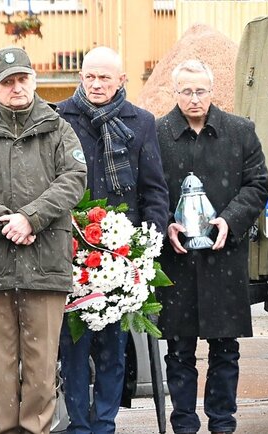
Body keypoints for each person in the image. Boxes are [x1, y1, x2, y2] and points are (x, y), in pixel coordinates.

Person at [0, 47, 87, 434]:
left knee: (42, 369)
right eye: (7, 82)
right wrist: (5, 223)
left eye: (22, 79)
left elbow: (73, 179)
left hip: (45, 264)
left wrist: (31, 218)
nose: (16, 87)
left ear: (34, 80)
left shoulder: (58, 128)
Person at [56, 46, 169, 434]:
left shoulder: (141, 122)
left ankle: (104, 423)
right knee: (73, 348)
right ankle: (78, 424)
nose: (96, 84)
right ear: (81, 78)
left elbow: (154, 191)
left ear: (121, 80)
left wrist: (147, 245)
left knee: (113, 350)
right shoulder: (60, 118)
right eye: (90, 76)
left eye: (105, 77)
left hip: (122, 256)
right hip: (72, 251)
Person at [156, 60, 268, 434]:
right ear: (175, 92)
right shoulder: (157, 135)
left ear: (212, 90)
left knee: (225, 349)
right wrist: (165, 224)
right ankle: (184, 424)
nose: (194, 98)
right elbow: (149, 189)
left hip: (224, 257)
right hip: (177, 260)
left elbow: (257, 184)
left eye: (200, 90)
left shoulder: (240, 131)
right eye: (186, 91)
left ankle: (222, 422)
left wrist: (230, 220)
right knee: (179, 351)